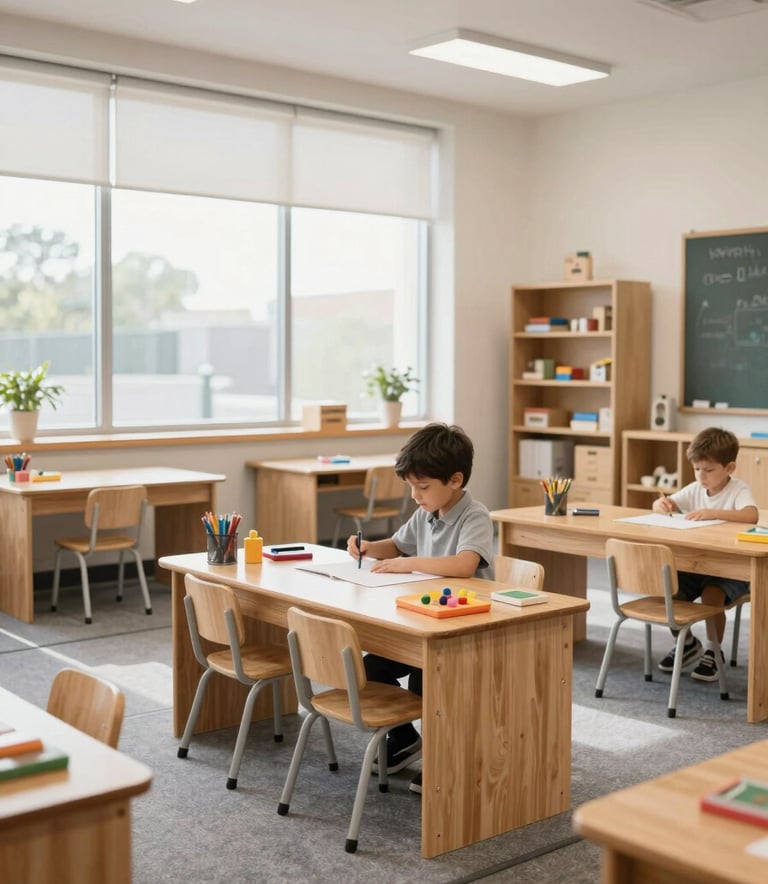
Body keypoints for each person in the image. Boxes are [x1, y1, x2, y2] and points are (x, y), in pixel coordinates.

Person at [345, 422, 494, 794]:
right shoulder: (427, 512)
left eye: (422, 487)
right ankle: (405, 739)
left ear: (455, 480)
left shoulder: (474, 515)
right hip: (424, 620)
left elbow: (463, 565)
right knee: (372, 666)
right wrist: (367, 548)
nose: (415, 495)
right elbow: (396, 545)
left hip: (464, 627)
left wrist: (411, 563)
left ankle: (442, 758)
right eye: (411, 486)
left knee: (427, 680)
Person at [652, 427, 758, 681]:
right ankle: (687, 643)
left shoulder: (737, 489)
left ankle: (713, 651)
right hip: (698, 564)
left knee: (712, 597)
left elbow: (751, 515)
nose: (701, 476)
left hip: (731, 568)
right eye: (697, 469)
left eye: (708, 470)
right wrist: (660, 505)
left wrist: (715, 513)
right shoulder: (695, 488)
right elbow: (665, 504)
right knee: (670, 589)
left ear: (729, 468)